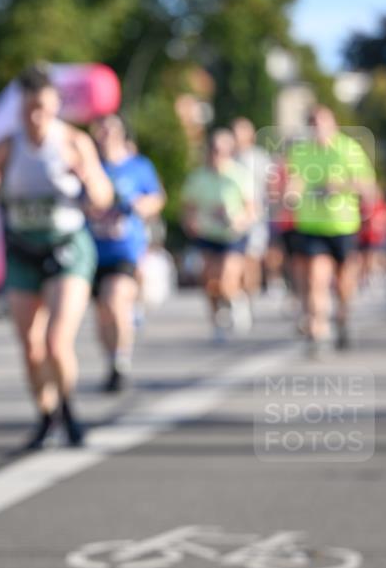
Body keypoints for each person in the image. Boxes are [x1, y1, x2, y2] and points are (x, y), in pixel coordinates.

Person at [0, 64, 113, 449]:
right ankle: (45, 412)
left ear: (55, 105)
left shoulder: (73, 142)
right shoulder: (7, 145)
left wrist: (87, 177)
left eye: (42, 108)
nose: (35, 117)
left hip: (66, 246)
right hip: (23, 248)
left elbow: (103, 197)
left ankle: (68, 408)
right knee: (30, 345)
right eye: (28, 110)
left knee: (56, 341)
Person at [285, 106, 375, 354]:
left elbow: (368, 186)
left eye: (323, 123)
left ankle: (343, 319)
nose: (319, 128)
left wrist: (339, 186)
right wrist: (291, 194)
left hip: (343, 225)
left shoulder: (348, 149)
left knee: (345, 285)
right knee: (316, 279)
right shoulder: (301, 152)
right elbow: (294, 180)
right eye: (313, 124)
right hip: (312, 225)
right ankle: (318, 331)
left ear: (333, 123)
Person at [89, 115, 165, 391]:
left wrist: (137, 205)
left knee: (114, 300)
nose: (105, 134)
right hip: (93, 249)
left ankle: (121, 361)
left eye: (110, 129)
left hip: (126, 249)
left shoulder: (138, 166)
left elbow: (157, 199)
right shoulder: (90, 166)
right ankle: (111, 360)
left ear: (121, 133)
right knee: (102, 312)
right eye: (101, 129)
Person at [181, 129, 255, 342]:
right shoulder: (198, 177)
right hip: (207, 233)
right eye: (214, 150)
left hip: (232, 234)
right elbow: (188, 206)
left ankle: (237, 299)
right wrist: (191, 222)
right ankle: (217, 321)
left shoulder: (238, 175)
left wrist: (241, 220)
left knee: (226, 277)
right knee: (209, 282)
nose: (217, 155)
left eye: (222, 151)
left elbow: (251, 208)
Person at [232, 117, 271, 307]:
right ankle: (236, 295)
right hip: (232, 217)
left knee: (251, 258)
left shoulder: (260, 158)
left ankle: (250, 294)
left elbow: (271, 184)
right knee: (235, 259)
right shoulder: (228, 157)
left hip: (256, 217)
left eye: (242, 131)